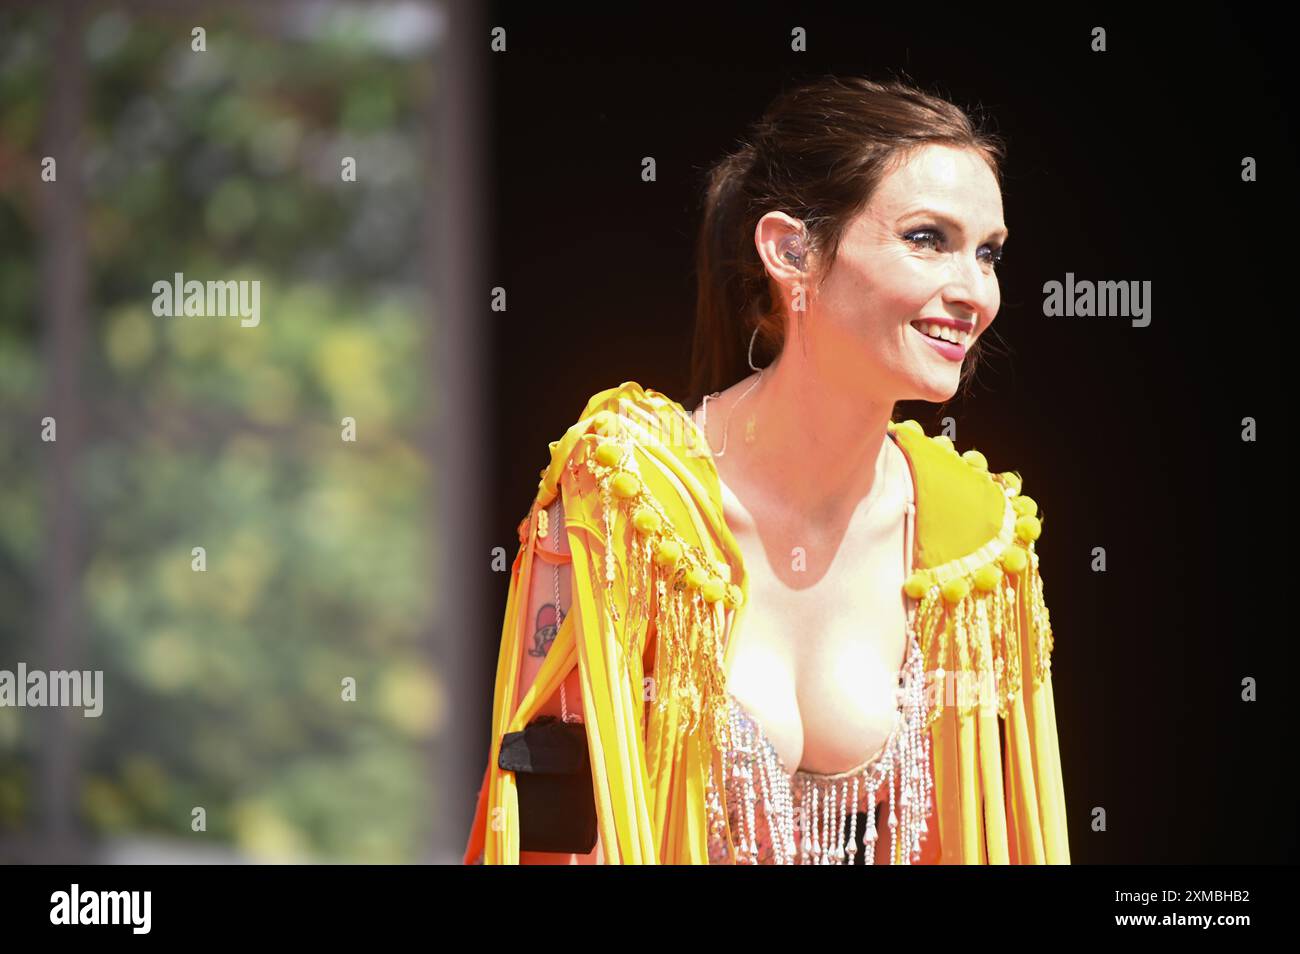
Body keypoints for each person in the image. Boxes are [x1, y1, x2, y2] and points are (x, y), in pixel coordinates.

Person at [464, 75, 1069, 864]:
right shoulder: (630, 498)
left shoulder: (976, 545)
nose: (974, 293)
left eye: (987, 254)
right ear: (791, 250)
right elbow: (549, 830)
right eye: (928, 239)